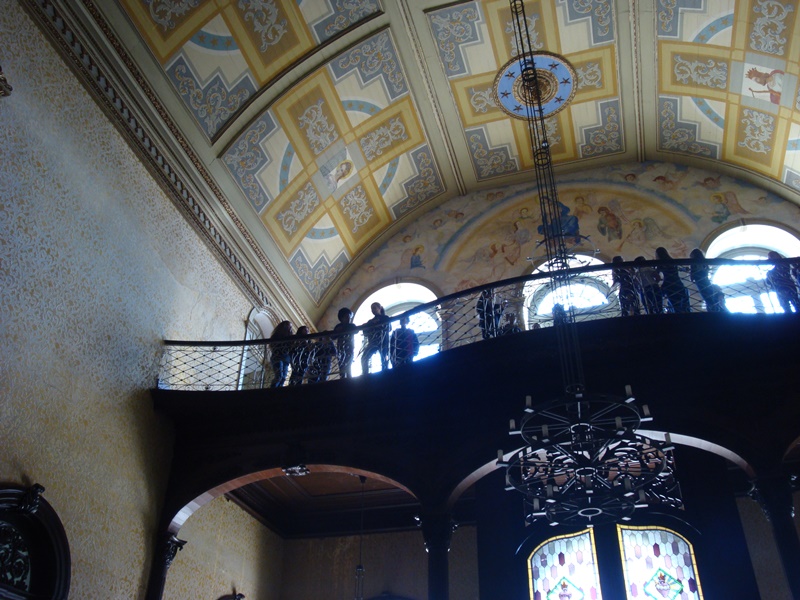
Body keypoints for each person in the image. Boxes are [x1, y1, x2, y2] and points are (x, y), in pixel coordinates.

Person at [655, 247, 690, 313]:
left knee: (674, 305)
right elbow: (680, 268)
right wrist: (684, 269)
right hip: (678, 283)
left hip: (669, 285)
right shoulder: (672, 261)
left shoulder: (660, 264)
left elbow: (656, 274)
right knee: (682, 305)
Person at [361, 302, 391, 373]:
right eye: (372, 309)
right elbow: (366, 334)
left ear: (379, 308)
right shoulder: (370, 322)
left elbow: (389, 328)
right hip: (373, 342)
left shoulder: (385, 318)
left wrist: (377, 324)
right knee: (364, 357)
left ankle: (385, 374)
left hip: (383, 341)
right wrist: (364, 327)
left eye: (374, 308)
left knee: (384, 359)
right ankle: (365, 374)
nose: (373, 310)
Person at [333, 307, 357, 378]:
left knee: (348, 365)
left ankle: (349, 378)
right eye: (346, 317)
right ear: (342, 318)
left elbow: (356, 331)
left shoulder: (351, 326)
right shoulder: (338, 326)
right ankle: (342, 378)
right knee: (341, 365)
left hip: (349, 348)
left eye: (349, 317)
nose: (348, 318)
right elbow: (333, 337)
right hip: (340, 348)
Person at [268, 320, 294, 387]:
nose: (290, 328)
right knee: (279, 376)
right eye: (289, 326)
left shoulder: (291, 338)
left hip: (286, 360)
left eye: (291, 327)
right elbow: (273, 345)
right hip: (277, 357)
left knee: (283, 378)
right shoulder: (277, 335)